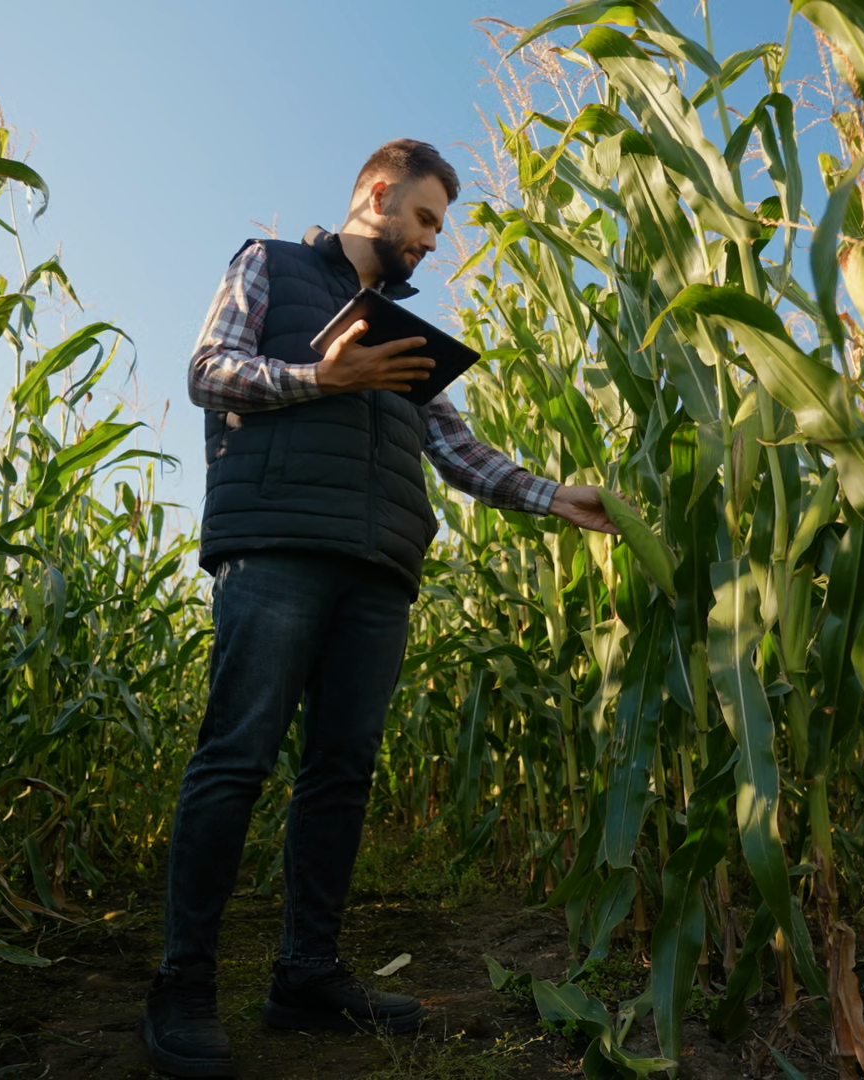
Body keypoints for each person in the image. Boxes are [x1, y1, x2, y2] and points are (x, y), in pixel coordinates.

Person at [141, 138, 617, 1078]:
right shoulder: (269, 264)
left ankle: (306, 976)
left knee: (342, 774)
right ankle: (182, 986)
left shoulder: (404, 336)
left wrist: (556, 496)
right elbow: (209, 370)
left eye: (439, 225)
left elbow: (456, 448)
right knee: (236, 759)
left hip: (379, 568)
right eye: (426, 218)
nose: (433, 240)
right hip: (278, 545)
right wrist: (321, 379)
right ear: (377, 193)